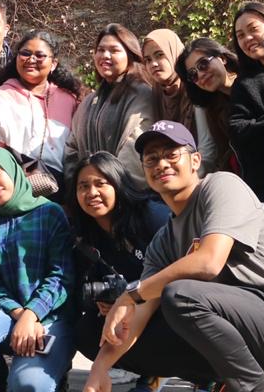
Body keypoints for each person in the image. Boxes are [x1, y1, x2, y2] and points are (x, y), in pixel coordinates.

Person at [83, 120, 264, 392]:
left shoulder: (222, 186)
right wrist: (99, 370)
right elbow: (141, 311)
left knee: (180, 296)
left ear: (195, 160)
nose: (162, 164)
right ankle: (224, 384)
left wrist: (129, 295)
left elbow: (208, 262)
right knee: (102, 329)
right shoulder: (163, 242)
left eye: (171, 154)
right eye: (151, 159)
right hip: (250, 336)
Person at [0, 146, 76, 392]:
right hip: (8, 318)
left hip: (50, 319)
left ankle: (56, 371)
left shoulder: (49, 213)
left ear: (13, 171)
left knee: (28, 386)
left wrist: (32, 314)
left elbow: (61, 276)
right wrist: (20, 315)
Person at [66, 152, 170, 392]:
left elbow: (177, 272)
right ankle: (146, 371)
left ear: (118, 183)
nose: (92, 192)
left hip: (164, 305)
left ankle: (181, 373)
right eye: (83, 186)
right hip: (127, 315)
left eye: (100, 183)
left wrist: (130, 298)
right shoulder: (83, 233)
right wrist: (103, 303)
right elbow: (87, 284)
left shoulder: (152, 216)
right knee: (86, 331)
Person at [0, 29, 82, 196]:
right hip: (14, 186)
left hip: (62, 189)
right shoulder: (0, 96)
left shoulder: (69, 100)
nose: (31, 60)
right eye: (25, 53)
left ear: (53, 64)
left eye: (39, 55)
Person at [63, 24, 156, 184]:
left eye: (114, 50)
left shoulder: (141, 94)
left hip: (126, 191)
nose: (105, 55)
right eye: (100, 50)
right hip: (89, 193)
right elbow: (72, 147)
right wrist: (78, 185)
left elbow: (135, 147)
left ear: (130, 55)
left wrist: (109, 186)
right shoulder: (89, 101)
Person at [227, 1, 264, 207]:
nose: (248, 39)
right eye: (240, 35)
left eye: (253, 29)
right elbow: (238, 130)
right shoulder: (245, 84)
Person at [180, 37, 241, 175]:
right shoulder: (212, 106)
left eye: (203, 64)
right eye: (193, 74)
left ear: (222, 58)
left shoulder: (253, 83)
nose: (201, 75)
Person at [141, 28, 196, 132]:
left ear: (175, 54)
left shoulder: (196, 86)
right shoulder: (155, 94)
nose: (153, 64)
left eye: (160, 55)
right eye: (148, 60)